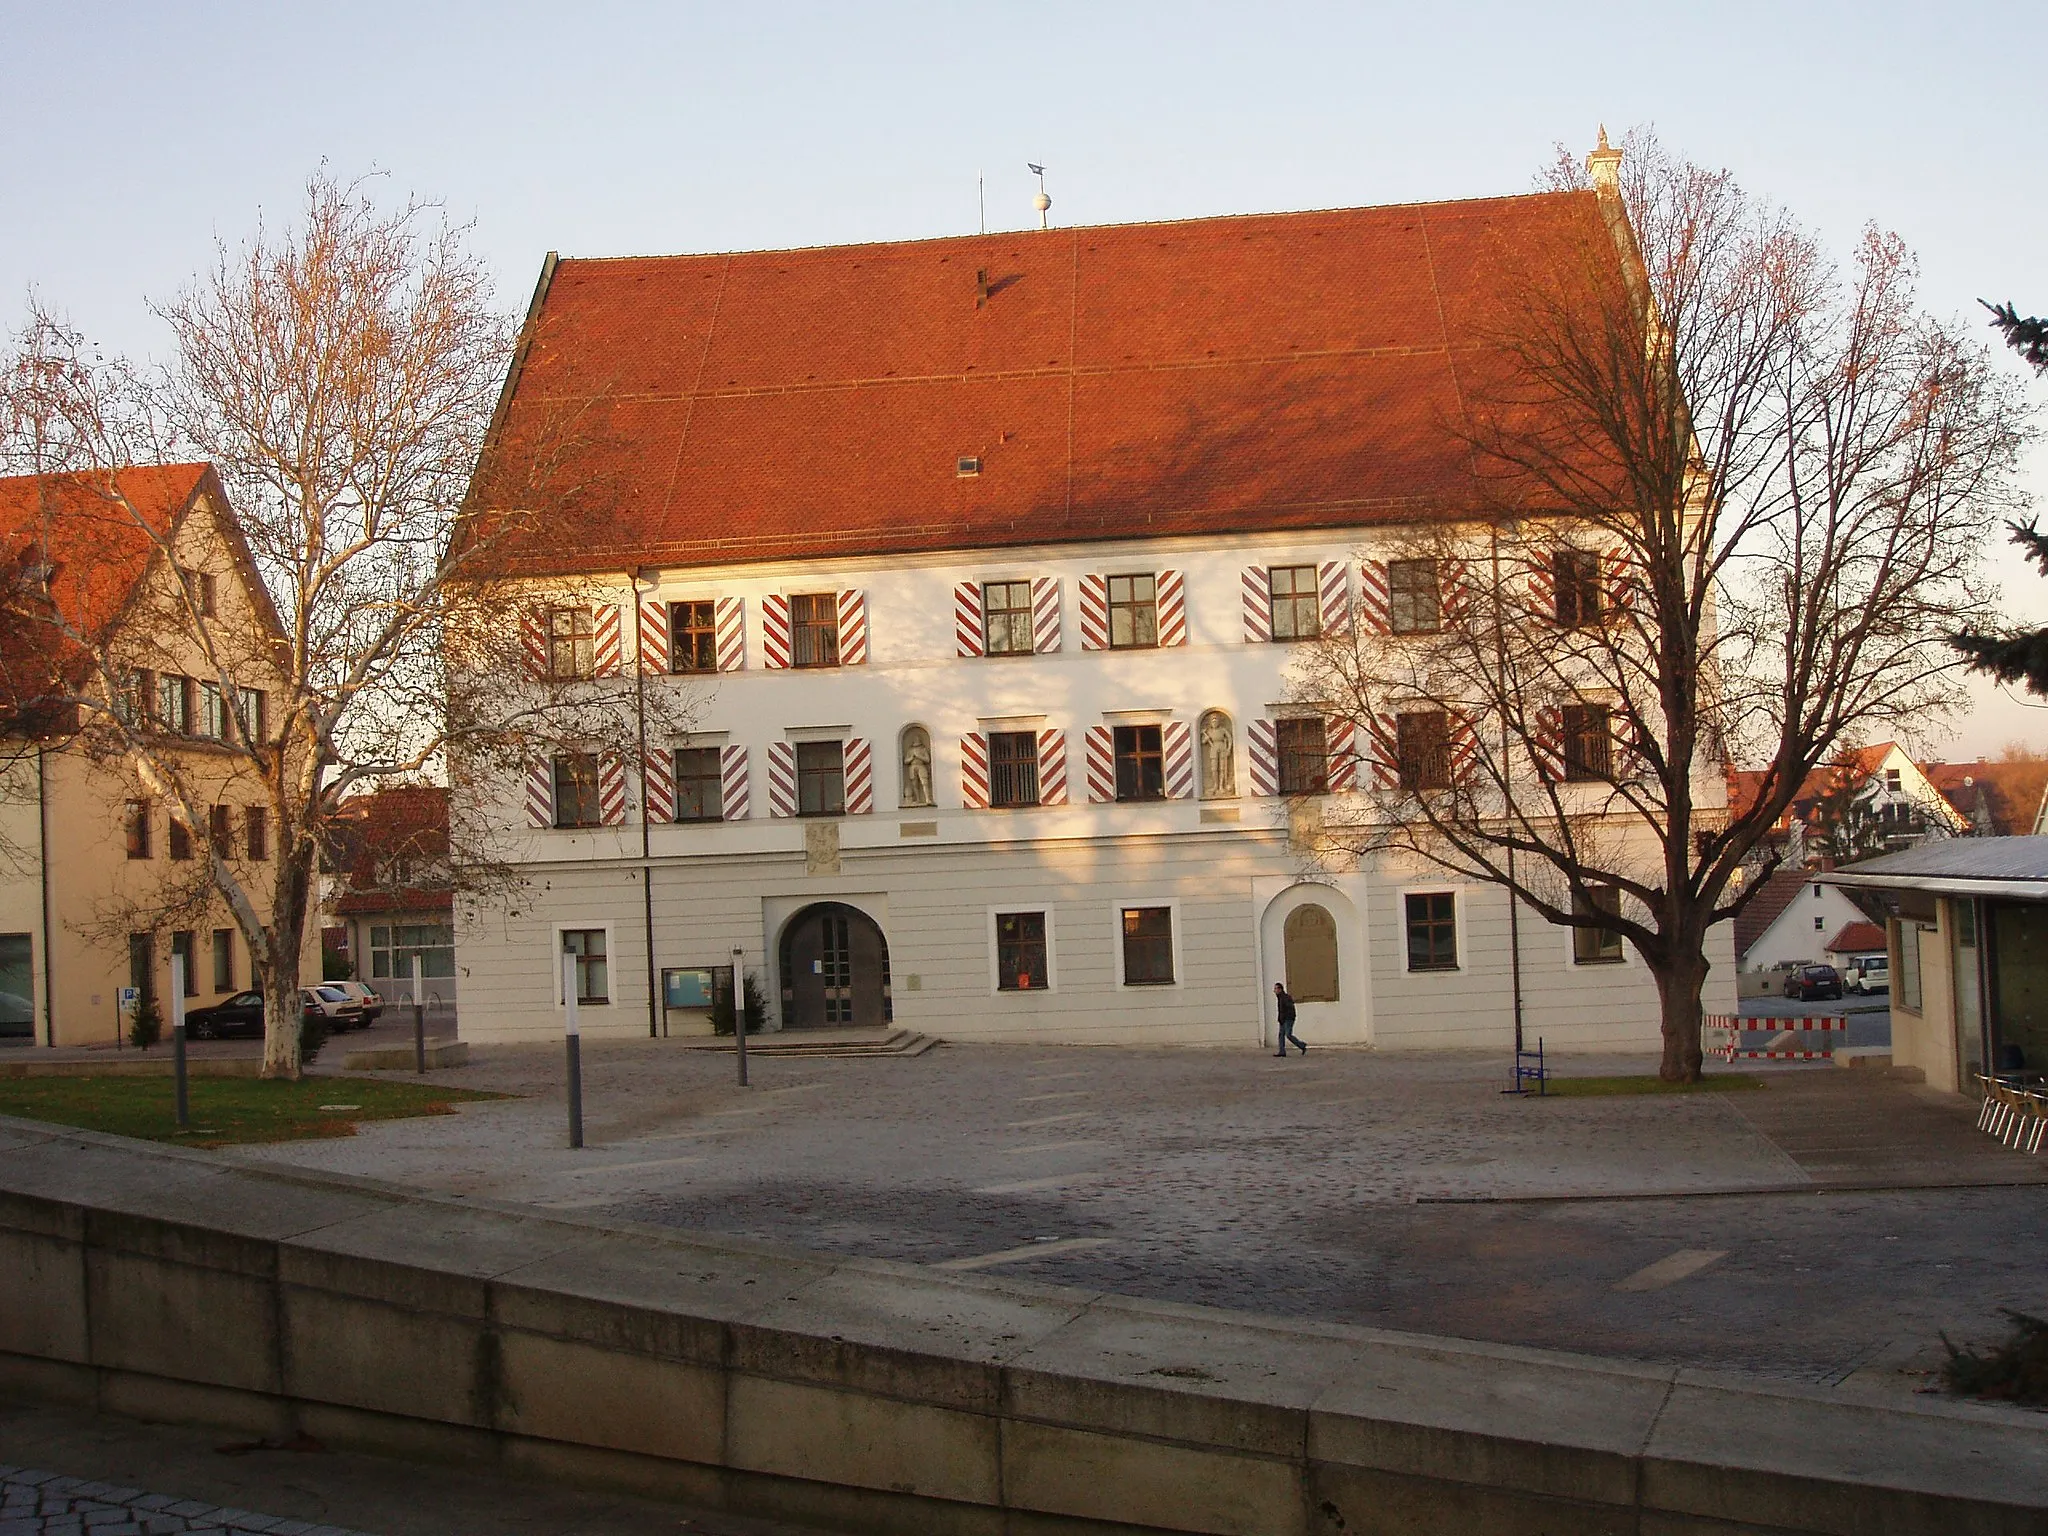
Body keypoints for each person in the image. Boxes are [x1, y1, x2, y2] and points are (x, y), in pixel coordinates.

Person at [1273, 981, 1305, 1057]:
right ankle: (1282, 1051)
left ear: (1280, 989)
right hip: (1283, 1019)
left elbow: (1289, 1009)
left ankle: (1302, 1045)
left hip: (1288, 1019)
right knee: (1281, 1035)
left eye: (1276, 989)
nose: (1274, 991)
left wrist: (1288, 1017)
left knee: (1288, 1035)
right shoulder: (1280, 998)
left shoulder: (1285, 998)